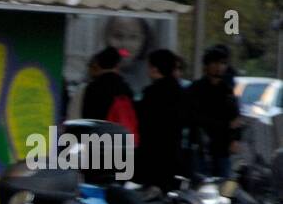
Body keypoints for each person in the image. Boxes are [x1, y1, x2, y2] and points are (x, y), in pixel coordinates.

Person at [136, 48, 189, 191]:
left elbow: (144, 125)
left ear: (154, 69)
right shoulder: (181, 92)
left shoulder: (151, 94)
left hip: (152, 157)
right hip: (174, 155)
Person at [186, 45, 241, 180]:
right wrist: (226, 125)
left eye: (223, 63)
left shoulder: (227, 90)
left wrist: (235, 138)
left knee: (224, 185)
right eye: (215, 63)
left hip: (222, 147)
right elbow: (196, 117)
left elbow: (235, 117)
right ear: (207, 65)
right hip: (201, 146)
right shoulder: (196, 89)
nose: (219, 67)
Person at [81, 45, 139, 138]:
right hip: (119, 141)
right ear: (117, 65)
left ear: (99, 64)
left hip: (96, 139)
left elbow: (86, 119)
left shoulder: (92, 87)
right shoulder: (124, 88)